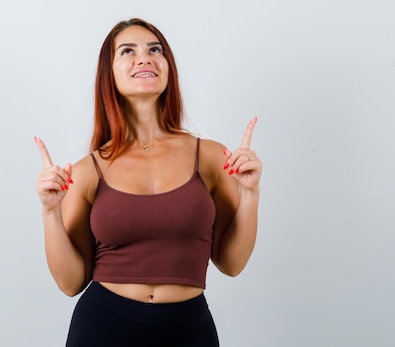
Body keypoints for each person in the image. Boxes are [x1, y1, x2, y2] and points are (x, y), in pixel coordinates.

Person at [34, 18, 262, 347]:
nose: (144, 58)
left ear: (167, 67)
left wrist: (250, 194)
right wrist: (50, 213)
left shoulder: (211, 157)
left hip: (188, 330)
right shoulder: (88, 170)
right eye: (128, 51)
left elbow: (231, 263)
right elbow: (71, 283)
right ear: (109, 73)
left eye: (155, 50)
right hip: (102, 327)